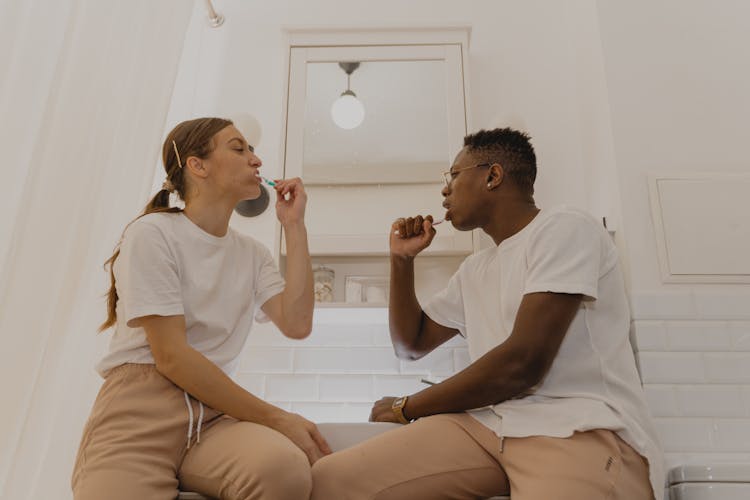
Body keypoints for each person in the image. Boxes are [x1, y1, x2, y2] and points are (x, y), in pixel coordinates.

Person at [311, 128, 664, 500]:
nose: (445, 190)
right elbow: (410, 345)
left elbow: (523, 364)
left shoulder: (564, 229)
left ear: (492, 176)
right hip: (490, 427)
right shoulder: (475, 269)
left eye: (454, 176)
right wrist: (402, 260)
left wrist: (407, 408)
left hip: (575, 426)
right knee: (333, 480)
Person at [72, 117, 331, 500]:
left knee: (282, 469)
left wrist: (294, 226)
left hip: (212, 417)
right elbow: (172, 357)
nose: (256, 160)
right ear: (198, 165)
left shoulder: (252, 255)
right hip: (139, 412)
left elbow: (297, 323)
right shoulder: (152, 234)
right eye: (239, 149)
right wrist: (278, 418)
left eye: (253, 150)